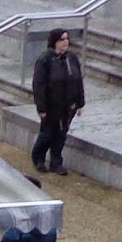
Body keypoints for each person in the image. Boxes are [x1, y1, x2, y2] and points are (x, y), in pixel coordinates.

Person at [31, 28, 84, 176]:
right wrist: (41, 108)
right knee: (47, 134)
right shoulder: (45, 60)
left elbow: (78, 81)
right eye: (62, 39)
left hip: (68, 106)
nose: (65, 42)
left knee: (61, 135)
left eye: (67, 39)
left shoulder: (71, 58)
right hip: (51, 106)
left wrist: (80, 103)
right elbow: (39, 85)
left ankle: (56, 162)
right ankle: (38, 158)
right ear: (54, 42)